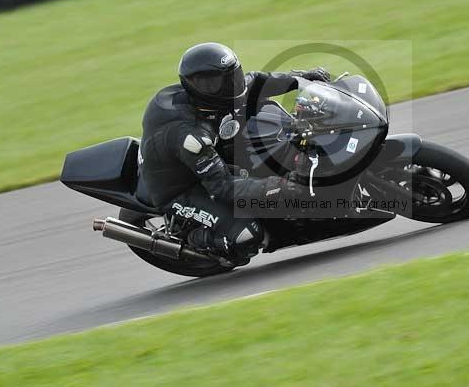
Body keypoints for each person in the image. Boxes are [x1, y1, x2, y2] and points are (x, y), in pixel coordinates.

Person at [139, 42, 330, 266]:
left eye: (233, 76)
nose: (233, 84)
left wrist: (301, 80)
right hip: (182, 189)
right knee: (248, 236)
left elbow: (255, 82)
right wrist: (277, 186)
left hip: (196, 158)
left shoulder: (213, 97)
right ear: (200, 86)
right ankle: (197, 239)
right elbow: (223, 187)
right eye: (222, 82)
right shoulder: (191, 137)